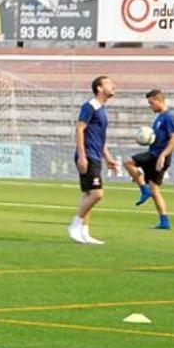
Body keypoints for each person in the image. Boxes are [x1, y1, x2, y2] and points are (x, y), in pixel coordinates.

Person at [68, 76, 119, 244]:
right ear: (99, 88)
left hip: (95, 155)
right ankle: (75, 224)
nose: (113, 86)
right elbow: (80, 129)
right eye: (109, 83)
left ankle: (84, 233)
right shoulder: (90, 106)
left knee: (89, 194)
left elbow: (99, 138)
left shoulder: (102, 110)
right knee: (97, 194)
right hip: (88, 155)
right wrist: (82, 156)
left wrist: (108, 157)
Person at [124, 89, 174, 230]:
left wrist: (162, 155)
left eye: (151, 103)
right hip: (154, 154)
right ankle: (164, 221)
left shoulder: (169, 117)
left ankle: (143, 189)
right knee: (155, 189)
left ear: (159, 100)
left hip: (158, 156)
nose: (150, 106)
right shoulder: (159, 118)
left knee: (127, 161)